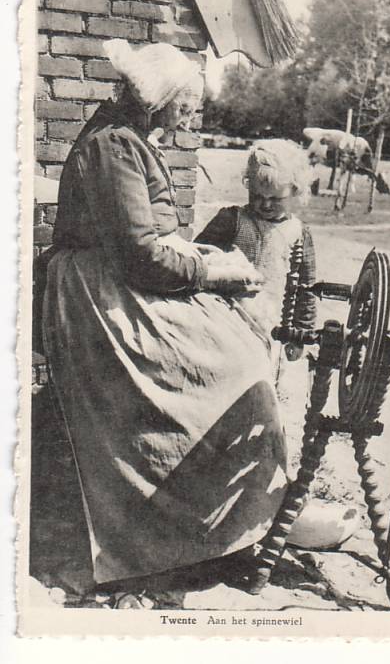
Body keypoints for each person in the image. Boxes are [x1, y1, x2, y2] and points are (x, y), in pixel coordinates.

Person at [41, 39, 288, 588]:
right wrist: (213, 271)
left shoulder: (130, 139)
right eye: (185, 107)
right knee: (225, 370)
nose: (187, 119)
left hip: (122, 279)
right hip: (99, 298)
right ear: (158, 101)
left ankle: (228, 522)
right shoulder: (112, 146)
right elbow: (141, 256)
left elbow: (149, 242)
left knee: (241, 345)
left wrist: (205, 258)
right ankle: (176, 534)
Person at [195, 139, 317, 379]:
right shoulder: (231, 220)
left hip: (272, 326)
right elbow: (200, 257)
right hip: (225, 320)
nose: (265, 204)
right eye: (257, 196)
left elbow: (307, 289)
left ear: (295, 191)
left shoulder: (299, 233)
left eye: (275, 198)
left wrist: (301, 333)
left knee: (261, 380)